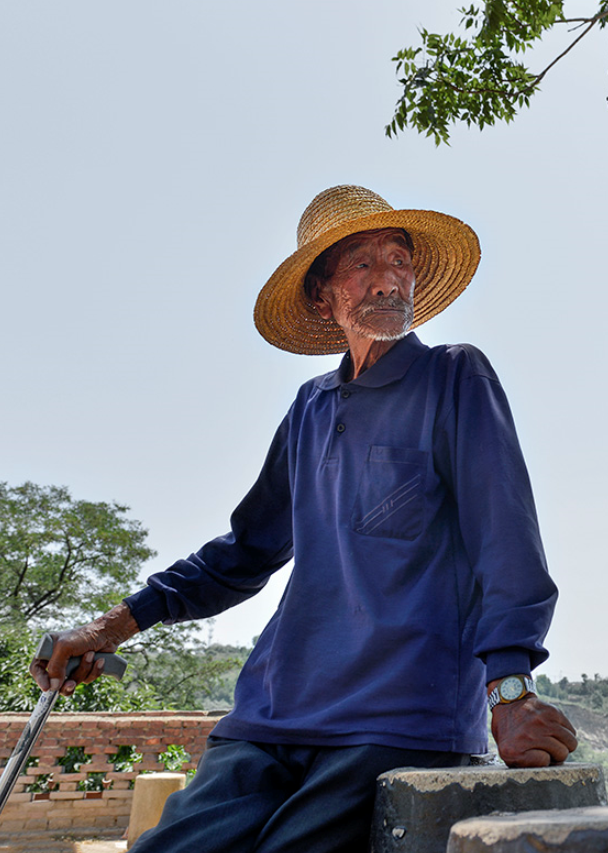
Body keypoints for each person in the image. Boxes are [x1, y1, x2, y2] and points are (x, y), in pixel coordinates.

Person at [31, 185, 578, 852]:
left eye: (398, 260)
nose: (387, 280)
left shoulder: (455, 377)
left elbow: (507, 542)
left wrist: (512, 689)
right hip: (270, 711)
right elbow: (244, 550)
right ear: (325, 298)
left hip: (396, 716)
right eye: (361, 265)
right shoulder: (310, 407)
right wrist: (110, 625)